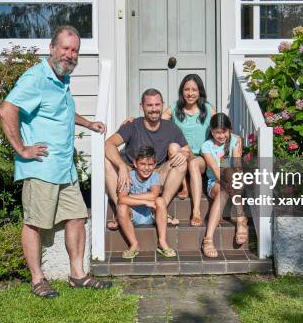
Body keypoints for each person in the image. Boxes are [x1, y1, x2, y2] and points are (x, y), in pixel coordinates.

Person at [0, 26, 112, 298]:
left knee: (77, 217)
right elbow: (6, 110)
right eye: (65, 48)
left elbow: (62, 111)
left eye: (75, 51)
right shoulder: (36, 78)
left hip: (65, 167)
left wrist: (89, 123)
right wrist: (21, 149)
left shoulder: (61, 78)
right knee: (35, 222)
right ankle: (38, 279)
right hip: (42, 167)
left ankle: (77, 275)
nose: (70, 55)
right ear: (52, 48)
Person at [104, 88, 192, 233]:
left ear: (162, 105)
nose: (154, 109)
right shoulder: (132, 125)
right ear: (142, 106)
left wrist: (184, 152)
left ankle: (159, 209)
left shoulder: (171, 127)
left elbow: (188, 150)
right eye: (149, 105)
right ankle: (122, 212)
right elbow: (108, 144)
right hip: (130, 174)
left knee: (181, 159)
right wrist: (120, 166)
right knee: (107, 160)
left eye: (157, 105)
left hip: (156, 174)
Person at [162, 74, 216, 226]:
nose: (190, 93)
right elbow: (155, 122)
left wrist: (234, 137)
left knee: (193, 164)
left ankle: (196, 211)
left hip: (200, 158)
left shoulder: (207, 108)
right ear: (182, 91)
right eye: (186, 89)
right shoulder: (174, 108)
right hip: (181, 153)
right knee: (173, 147)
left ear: (200, 92)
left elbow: (221, 125)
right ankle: (184, 184)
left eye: (194, 89)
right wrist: (135, 121)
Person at [200, 113, 248, 258]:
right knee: (223, 181)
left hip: (233, 182)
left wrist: (238, 152)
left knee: (227, 184)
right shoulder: (206, 146)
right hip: (215, 183)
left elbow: (238, 167)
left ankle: (207, 239)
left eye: (224, 132)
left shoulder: (235, 141)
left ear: (230, 129)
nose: (221, 136)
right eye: (217, 132)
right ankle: (241, 219)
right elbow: (215, 171)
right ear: (211, 131)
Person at [116, 145, 176, 258]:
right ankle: (134, 244)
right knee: (122, 207)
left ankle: (162, 242)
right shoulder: (129, 176)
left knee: (160, 200)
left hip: (151, 215)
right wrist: (145, 201)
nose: (146, 168)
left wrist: (132, 197)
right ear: (135, 163)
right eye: (143, 164)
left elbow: (154, 194)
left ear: (154, 165)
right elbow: (122, 198)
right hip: (133, 215)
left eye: (150, 164)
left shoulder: (154, 176)